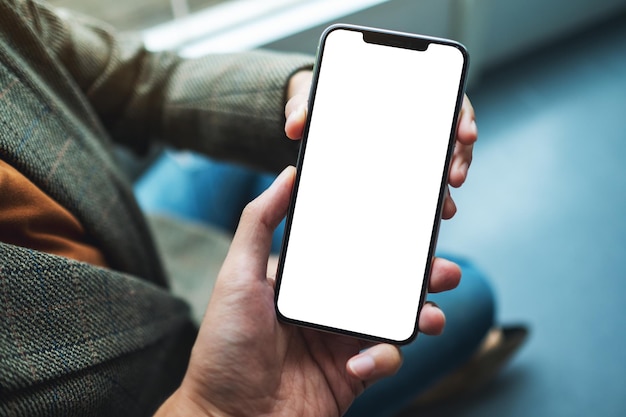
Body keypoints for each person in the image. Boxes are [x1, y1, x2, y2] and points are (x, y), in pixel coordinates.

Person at [0, 1, 524, 416]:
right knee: (470, 295)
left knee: (272, 158)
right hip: (179, 386)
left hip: (134, 234)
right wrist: (210, 412)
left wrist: (300, 96)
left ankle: (309, 269)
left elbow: (138, 81)